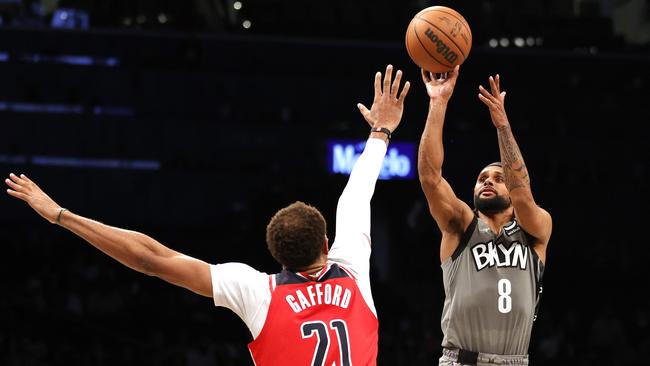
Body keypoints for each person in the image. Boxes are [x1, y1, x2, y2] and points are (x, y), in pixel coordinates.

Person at [5, 64, 411, 365]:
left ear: (277, 256)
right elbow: (357, 192)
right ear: (327, 244)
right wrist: (381, 130)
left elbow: (150, 258)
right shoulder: (352, 269)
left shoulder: (257, 290)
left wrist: (61, 215)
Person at [417, 66, 552, 366]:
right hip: (460, 360)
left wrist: (502, 125)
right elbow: (430, 178)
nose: (488, 181)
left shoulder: (536, 229)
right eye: (481, 178)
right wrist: (438, 102)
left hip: (516, 361)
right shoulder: (461, 225)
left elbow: (522, 193)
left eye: (497, 177)